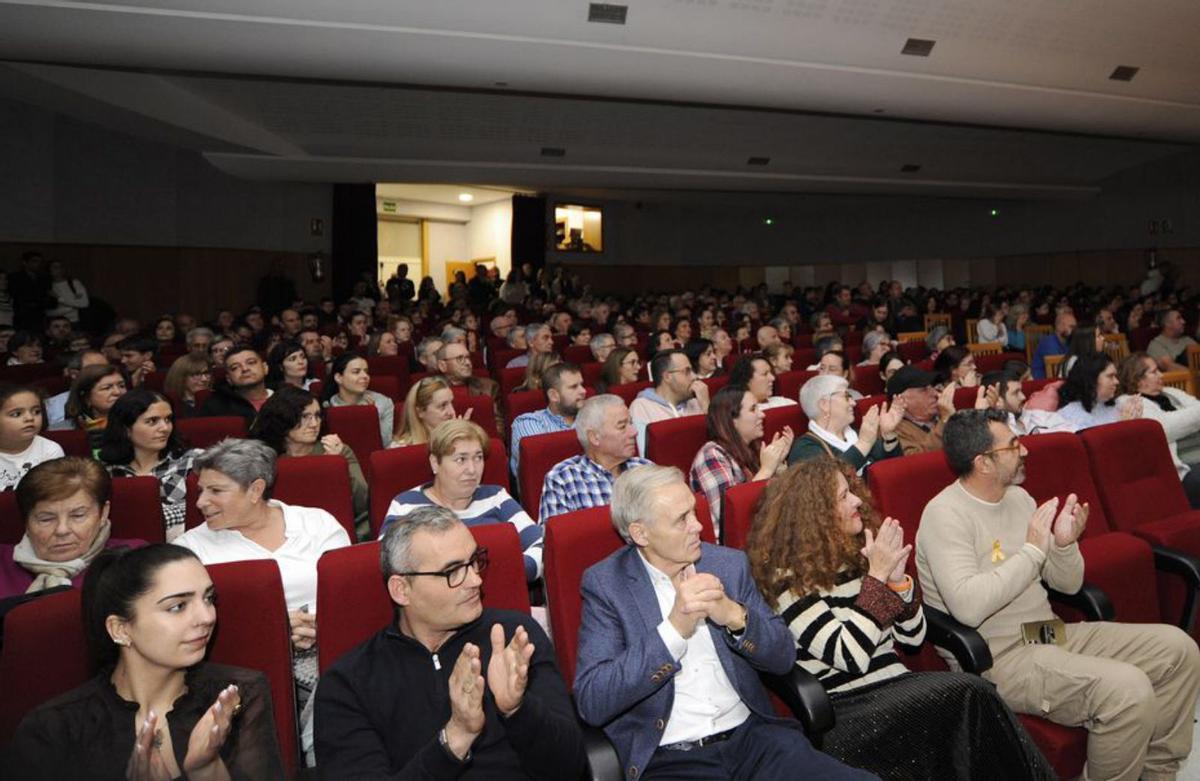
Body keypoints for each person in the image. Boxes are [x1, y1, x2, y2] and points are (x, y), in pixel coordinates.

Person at [918, 409, 1200, 781]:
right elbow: (968, 608)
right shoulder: (945, 515)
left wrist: (1064, 546)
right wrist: (1033, 552)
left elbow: (1067, 585)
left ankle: (1156, 773)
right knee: (1127, 691)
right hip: (998, 655)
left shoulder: (1017, 498)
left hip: (1046, 632)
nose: (1025, 451)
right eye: (1014, 445)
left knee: (1178, 650)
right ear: (983, 462)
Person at [748, 457, 1054, 780]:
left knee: (972, 707)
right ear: (816, 514)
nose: (855, 500)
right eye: (842, 497)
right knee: (972, 695)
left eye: (850, 491)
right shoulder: (788, 582)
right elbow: (850, 656)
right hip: (850, 711)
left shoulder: (859, 559)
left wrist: (898, 584)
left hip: (899, 688)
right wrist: (877, 578)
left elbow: (912, 638)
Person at [574, 465, 871, 781]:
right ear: (640, 533)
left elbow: (784, 658)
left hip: (754, 741)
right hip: (670, 760)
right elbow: (594, 700)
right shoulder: (608, 585)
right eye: (681, 519)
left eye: (694, 511)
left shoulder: (727, 565)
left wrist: (736, 618)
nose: (698, 525)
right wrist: (672, 631)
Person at [314, 505, 585, 777]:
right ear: (402, 590)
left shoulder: (513, 638)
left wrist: (518, 710)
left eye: (474, 561)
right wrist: (455, 737)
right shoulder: (349, 684)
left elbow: (574, 767)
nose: (475, 580)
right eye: (453, 572)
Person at [7, 544, 283, 779]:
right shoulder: (54, 728)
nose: (207, 616)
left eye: (209, 598)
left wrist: (207, 770)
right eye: (177, 606)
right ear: (120, 629)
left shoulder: (238, 694)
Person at [173, 438, 351, 760]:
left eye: (216, 491)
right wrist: (274, 630)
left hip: (333, 650)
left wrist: (325, 627)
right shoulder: (192, 549)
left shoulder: (317, 524)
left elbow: (350, 595)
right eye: (201, 490)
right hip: (246, 667)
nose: (201, 502)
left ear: (256, 490)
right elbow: (186, 626)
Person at [382, 420, 543, 583]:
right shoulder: (404, 506)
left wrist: (502, 576)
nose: (472, 469)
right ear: (435, 463)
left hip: (504, 595)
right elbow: (388, 567)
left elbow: (542, 546)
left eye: (478, 458)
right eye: (461, 459)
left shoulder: (496, 497)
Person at [0, 457, 146, 599]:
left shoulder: (133, 560)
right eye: (46, 519)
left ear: (103, 513)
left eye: (78, 515)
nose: (62, 530)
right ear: (26, 521)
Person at [250, 385, 370, 541]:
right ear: (284, 418)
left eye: (317, 415)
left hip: (334, 533)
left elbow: (363, 503)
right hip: (282, 537)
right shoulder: (265, 459)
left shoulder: (338, 450)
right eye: (305, 416)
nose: (314, 424)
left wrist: (336, 465)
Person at [99, 390, 199, 542]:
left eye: (168, 419)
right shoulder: (105, 473)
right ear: (126, 429)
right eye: (152, 421)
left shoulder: (194, 461)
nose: (165, 428)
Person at [538, 395, 652, 523]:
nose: (634, 432)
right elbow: (558, 540)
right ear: (594, 437)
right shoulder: (564, 479)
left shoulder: (645, 468)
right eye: (622, 426)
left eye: (630, 423)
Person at [688, 386, 792, 524]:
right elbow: (728, 519)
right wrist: (766, 469)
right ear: (731, 420)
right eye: (753, 409)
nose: (762, 414)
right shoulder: (711, 456)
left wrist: (776, 466)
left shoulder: (749, 449)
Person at [1116, 353, 1200, 507]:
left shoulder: (1171, 392)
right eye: (1154, 372)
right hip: (1182, 468)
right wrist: (1191, 419)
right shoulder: (1129, 402)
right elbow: (1162, 429)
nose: (1161, 375)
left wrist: (1184, 421)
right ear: (1138, 379)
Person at [789, 374, 903, 471]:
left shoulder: (857, 434)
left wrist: (889, 435)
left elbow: (893, 469)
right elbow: (829, 483)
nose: (853, 403)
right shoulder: (804, 449)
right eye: (847, 396)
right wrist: (864, 444)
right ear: (824, 404)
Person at [509, 362, 586, 475]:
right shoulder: (528, 422)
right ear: (554, 396)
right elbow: (542, 466)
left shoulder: (591, 417)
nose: (583, 391)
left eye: (582, 385)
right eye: (574, 387)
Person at [630, 349, 710, 454]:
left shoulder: (696, 402)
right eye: (687, 371)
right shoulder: (641, 407)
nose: (694, 377)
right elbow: (645, 455)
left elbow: (716, 444)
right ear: (667, 376)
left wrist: (706, 406)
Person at [322, 352, 394, 448]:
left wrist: (370, 416)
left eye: (366, 371)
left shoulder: (383, 403)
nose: (365, 376)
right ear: (339, 378)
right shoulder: (328, 407)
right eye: (356, 372)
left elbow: (385, 443)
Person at [0, 384, 63, 491]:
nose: (30, 418)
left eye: (36, 412)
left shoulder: (50, 450)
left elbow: (54, 494)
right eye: (16, 414)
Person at [1056, 352, 1142, 431]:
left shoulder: (1117, 407)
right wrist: (1123, 425)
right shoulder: (1069, 416)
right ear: (1091, 380)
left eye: (1115, 376)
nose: (1117, 382)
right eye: (1110, 376)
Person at [887, 365, 961, 455]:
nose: (935, 393)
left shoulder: (941, 413)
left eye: (932, 387)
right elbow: (918, 463)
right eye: (924, 390)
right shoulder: (893, 430)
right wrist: (945, 421)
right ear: (901, 400)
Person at [980, 370, 1074, 436]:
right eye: (1015, 393)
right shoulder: (997, 433)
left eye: (1021, 391)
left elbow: (1073, 430)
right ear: (999, 400)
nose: (1023, 397)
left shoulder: (1033, 415)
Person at [199, 344, 272, 424]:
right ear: (229, 379)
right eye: (235, 367)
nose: (245, 369)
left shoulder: (284, 397)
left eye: (251, 363)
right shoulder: (215, 407)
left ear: (265, 368)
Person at [62, 364, 128, 450]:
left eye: (122, 386)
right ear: (86, 397)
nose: (117, 392)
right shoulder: (63, 432)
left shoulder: (138, 424)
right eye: (107, 388)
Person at [393, 375, 465, 448]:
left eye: (452, 403)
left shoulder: (458, 440)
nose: (452, 412)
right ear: (420, 412)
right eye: (443, 406)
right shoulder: (400, 448)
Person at [728, 354, 794, 409]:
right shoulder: (741, 414)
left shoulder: (786, 403)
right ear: (745, 380)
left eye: (771, 373)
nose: (773, 378)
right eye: (765, 374)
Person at [163, 352, 212, 419]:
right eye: (197, 374)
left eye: (206, 373)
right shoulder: (171, 405)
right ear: (181, 377)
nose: (204, 379)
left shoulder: (218, 399)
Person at [1031, 310, 1076, 379]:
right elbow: (1057, 370)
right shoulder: (1049, 343)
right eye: (1071, 327)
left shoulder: (1069, 341)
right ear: (1059, 326)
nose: (1075, 330)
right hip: (1042, 382)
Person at [44, 259, 89, 326]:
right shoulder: (48, 286)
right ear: (49, 270)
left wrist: (59, 299)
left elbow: (84, 303)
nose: (60, 269)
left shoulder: (74, 283)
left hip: (74, 322)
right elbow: (47, 312)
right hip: (54, 323)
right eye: (55, 267)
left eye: (61, 267)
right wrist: (72, 307)